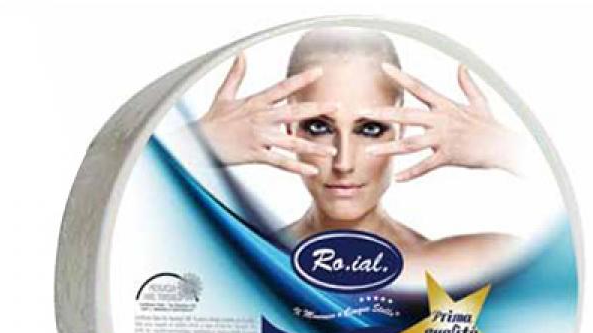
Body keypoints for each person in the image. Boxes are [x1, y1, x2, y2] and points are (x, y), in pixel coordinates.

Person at [193, 27, 527, 286]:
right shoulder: (241, 265)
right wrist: (192, 145)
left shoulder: (461, 266)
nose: (344, 163)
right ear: (290, 128)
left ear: (401, 128)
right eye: (318, 127)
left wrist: (508, 148)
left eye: (370, 129)